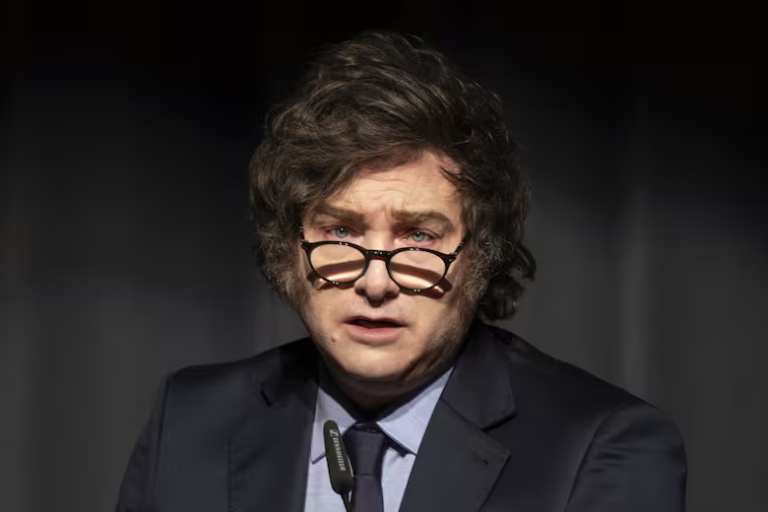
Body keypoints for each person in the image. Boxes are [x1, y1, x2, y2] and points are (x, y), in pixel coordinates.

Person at [116, 32, 687, 512]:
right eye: (341, 232)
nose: (375, 283)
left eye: (419, 237)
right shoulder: (190, 419)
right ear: (288, 250)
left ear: (482, 257)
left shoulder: (605, 447)